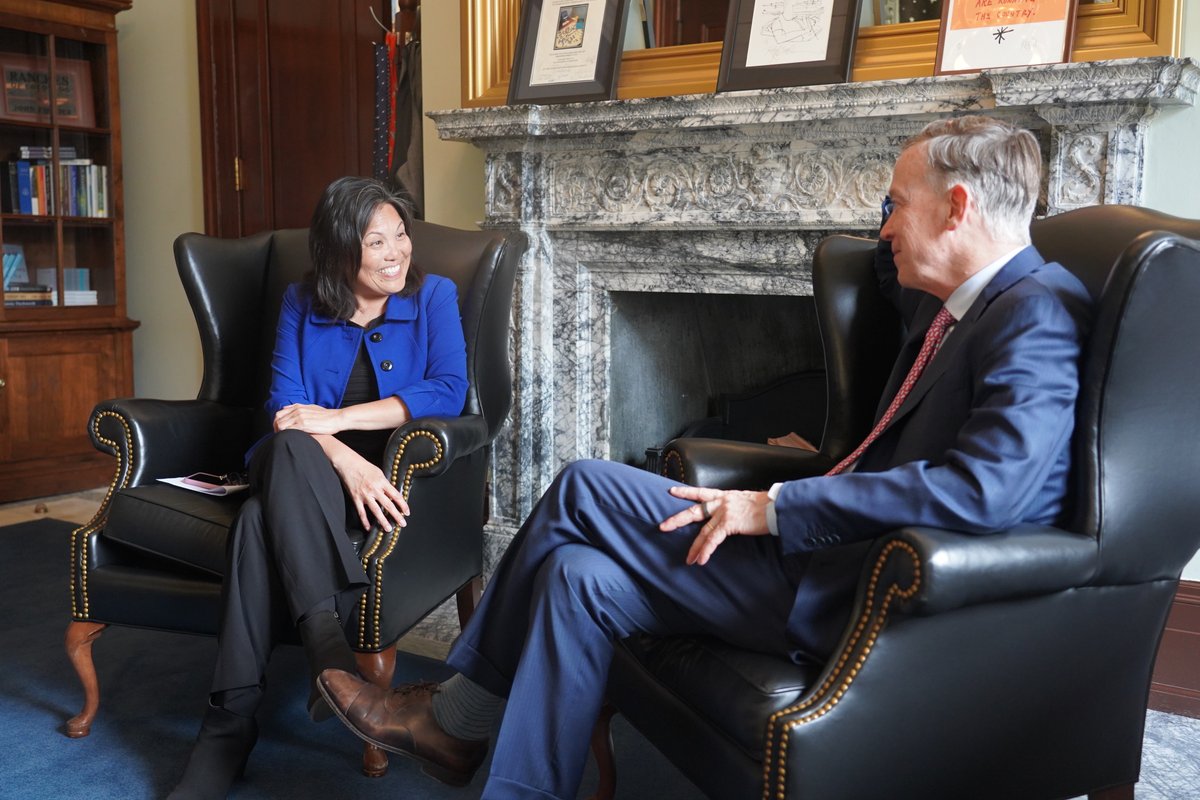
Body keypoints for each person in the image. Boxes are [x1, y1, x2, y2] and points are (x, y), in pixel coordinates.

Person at [317, 116, 1092, 799]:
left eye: (899, 204)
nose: (886, 226)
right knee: (575, 577)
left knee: (586, 487)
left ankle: (455, 716)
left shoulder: (1035, 316)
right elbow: (883, 265)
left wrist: (773, 507)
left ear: (959, 208)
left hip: (856, 590)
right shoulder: (956, 300)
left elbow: (989, 489)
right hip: (819, 567)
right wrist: (901, 201)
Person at [168, 176, 468, 799]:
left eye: (401, 236)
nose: (397, 253)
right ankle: (329, 655)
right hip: (308, 472)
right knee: (286, 448)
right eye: (376, 241)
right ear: (337, 254)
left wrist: (338, 423)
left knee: (255, 522)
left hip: (384, 484)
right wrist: (342, 457)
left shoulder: (435, 295)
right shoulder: (301, 301)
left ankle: (227, 726)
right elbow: (284, 407)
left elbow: (448, 391)